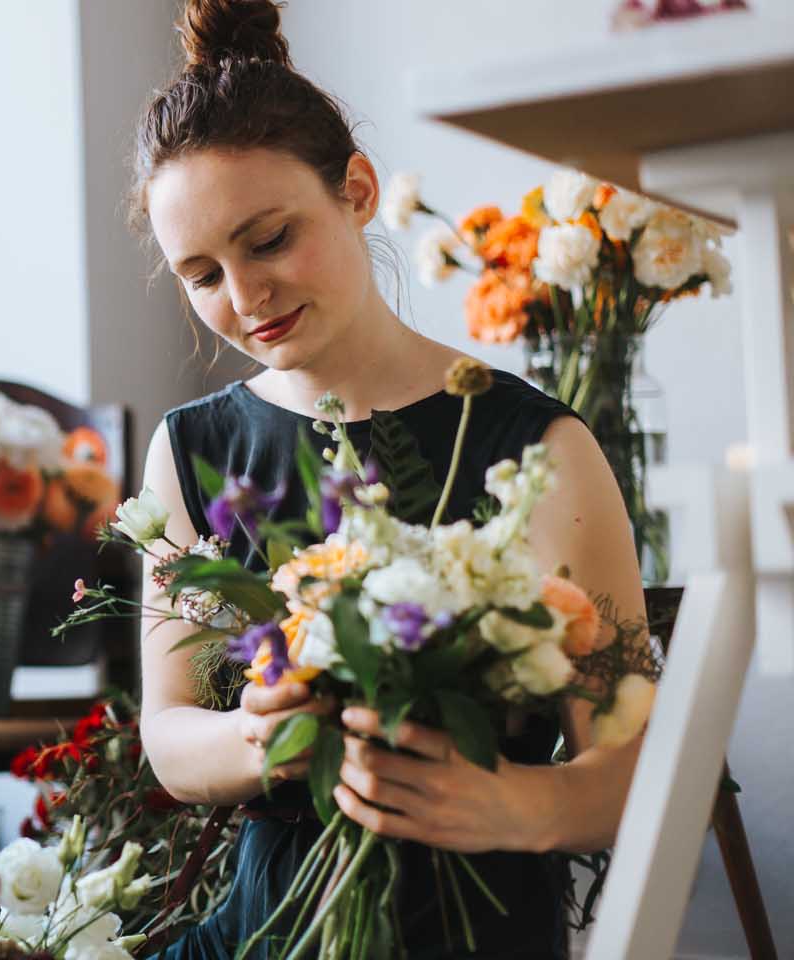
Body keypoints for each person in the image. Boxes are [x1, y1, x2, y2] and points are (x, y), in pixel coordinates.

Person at [129, 2, 649, 957]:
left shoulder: (539, 446)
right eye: (201, 274)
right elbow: (167, 737)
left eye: (270, 239)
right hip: (264, 933)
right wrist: (256, 733)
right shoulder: (192, 450)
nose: (246, 300)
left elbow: (641, 768)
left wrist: (511, 805)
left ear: (358, 191)